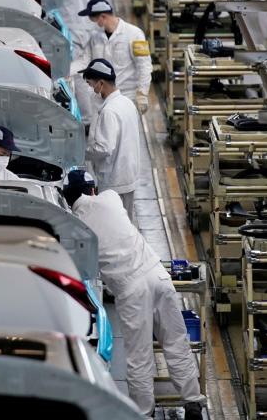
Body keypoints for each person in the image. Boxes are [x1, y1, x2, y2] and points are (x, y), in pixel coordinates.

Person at [61, 169, 205, 420]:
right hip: (158, 275)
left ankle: (143, 413)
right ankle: (193, 402)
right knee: (176, 340)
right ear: (93, 189)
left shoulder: (77, 226)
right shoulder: (111, 197)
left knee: (140, 356)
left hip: (131, 290)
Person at [79, 59, 140, 219]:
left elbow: (104, 148)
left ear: (101, 83)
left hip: (113, 180)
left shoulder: (109, 111)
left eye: (91, 84)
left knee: (114, 224)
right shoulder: (126, 103)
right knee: (126, 223)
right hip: (127, 175)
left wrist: (80, 152)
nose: (91, 88)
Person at [52, 0, 100, 126]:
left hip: (70, 23)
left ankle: (82, 118)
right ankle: (86, 117)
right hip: (86, 24)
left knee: (70, 71)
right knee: (80, 69)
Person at [79, 0, 152, 114]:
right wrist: (64, 72)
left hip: (127, 98)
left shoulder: (135, 34)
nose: (92, 23)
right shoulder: (95, 36)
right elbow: (83, 61)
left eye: (93, 19)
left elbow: (144, 66)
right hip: (102, 99)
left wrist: (142, 94)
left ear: (103, 17)